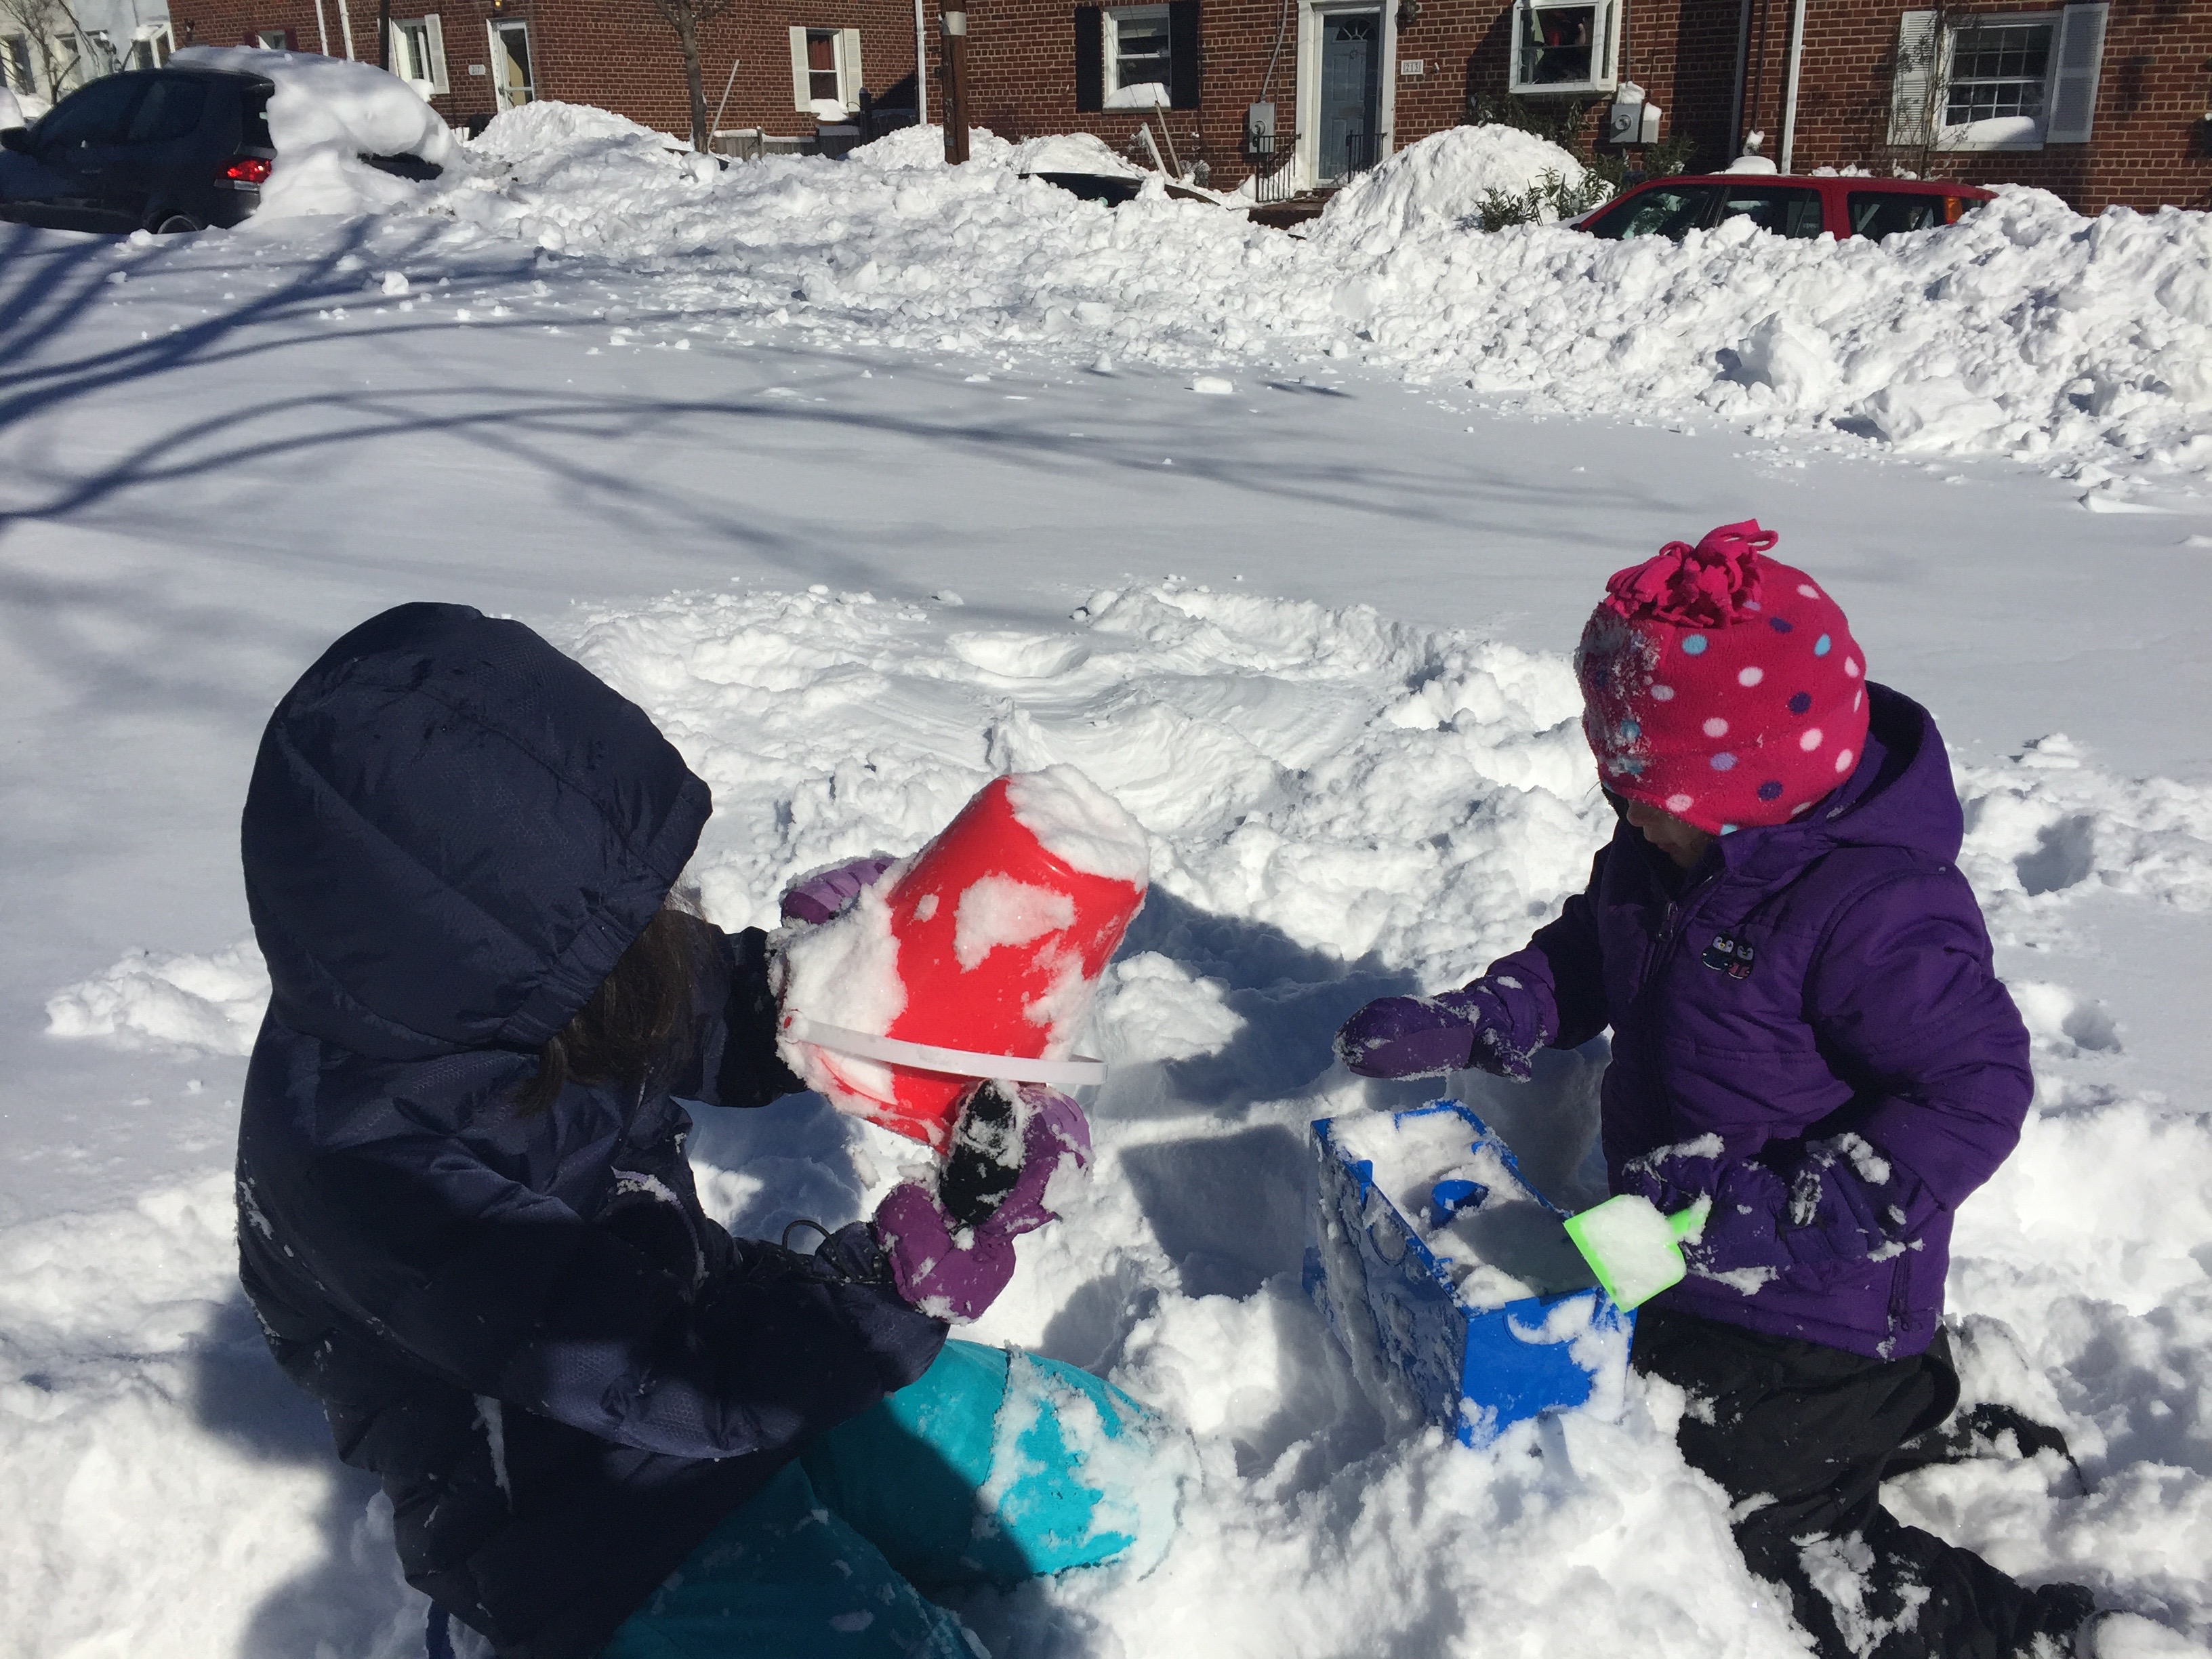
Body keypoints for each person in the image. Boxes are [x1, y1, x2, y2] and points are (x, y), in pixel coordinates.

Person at [234, 602, 1172, 1659]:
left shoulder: (520, 969)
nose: (654, 935)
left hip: (738, 1339)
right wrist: (887, 1291)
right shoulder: (370, 1173)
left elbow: (695, 1006)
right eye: (621, 923)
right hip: (578, 1522)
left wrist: (833, 986)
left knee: (1125, 1479)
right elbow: (652, 1372)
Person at [1335, 523, 2095, 1659]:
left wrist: (1769, 1210)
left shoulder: (1872, 912)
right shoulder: (1667, 851)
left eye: (1644, 784)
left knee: (1755, 1525)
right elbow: (1591, 952)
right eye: (1617, 776)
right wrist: (1493, 1016)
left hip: (1815, 1304)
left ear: (1748, 783)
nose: (1622, 805)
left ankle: (2019, 1631)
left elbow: (1971, 1092)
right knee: (1681, 1398)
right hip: (1691, 1259)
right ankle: (1923, 1409)